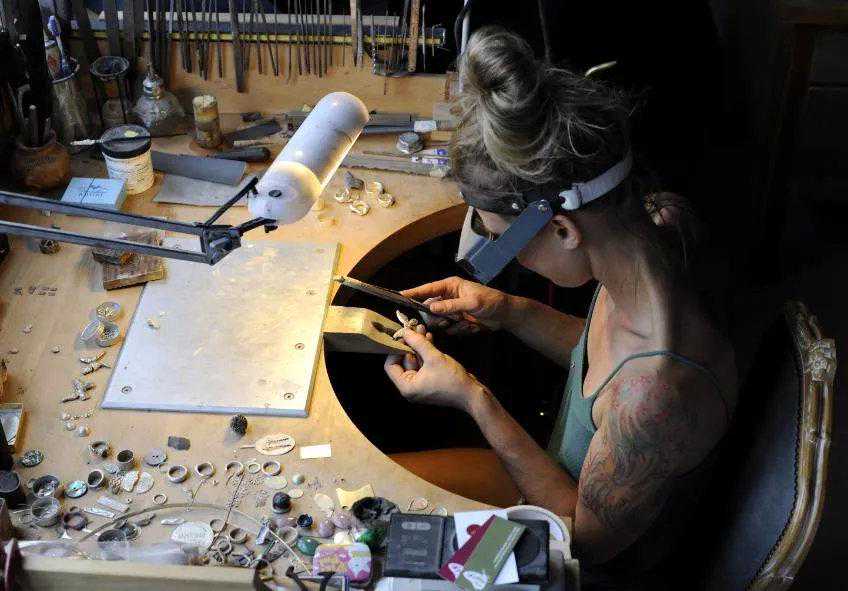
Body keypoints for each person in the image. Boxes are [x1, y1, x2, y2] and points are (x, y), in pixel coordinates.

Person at [383, 27, 737, 588]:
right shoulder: (653, 227)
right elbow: (600, 360)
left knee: (374, 544)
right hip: (552, 480)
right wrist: (508, 309)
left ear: (564, 230)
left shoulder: (655, 397)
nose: (511, 260)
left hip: (577, 553)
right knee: (378, 492)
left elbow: (581, 540)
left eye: (503, 240)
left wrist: (472, 397)